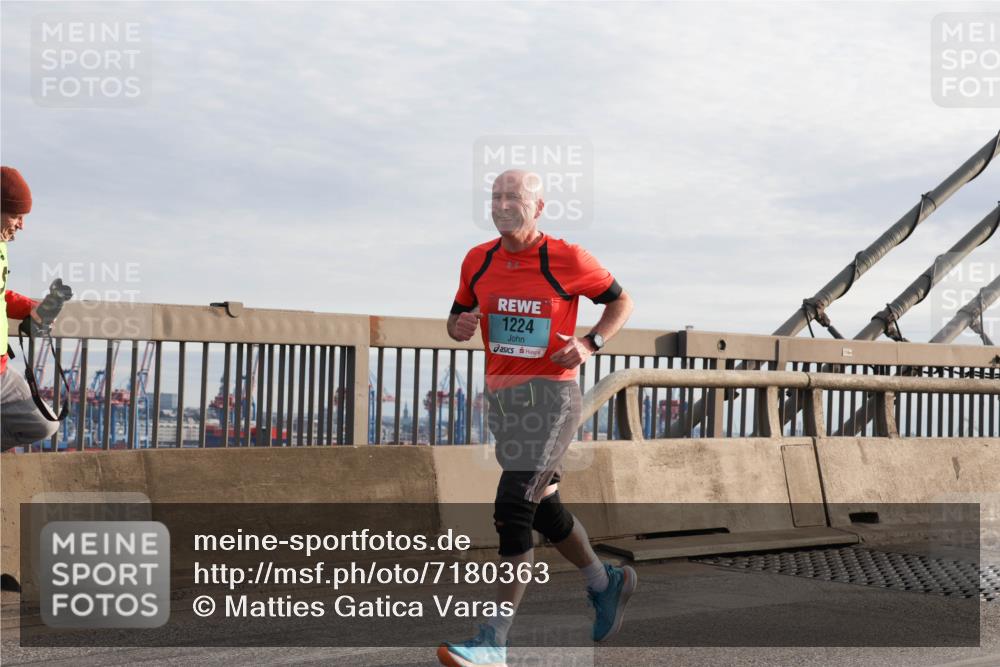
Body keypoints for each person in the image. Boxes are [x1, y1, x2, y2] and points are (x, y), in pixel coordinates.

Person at [438, 170, 636, 667]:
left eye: (515, 197)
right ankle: (602, 581)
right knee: (544, 504)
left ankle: (492, 641)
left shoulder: (566, 258)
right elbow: (457, 319)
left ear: (539, 207)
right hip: (505, 405)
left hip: (552, 400)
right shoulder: (477, 260)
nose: (504, 204)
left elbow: (621, 301)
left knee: (514, 508)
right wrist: (459, 326)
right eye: (497, 196)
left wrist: (590, 343)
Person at [0, 166, 59, 451]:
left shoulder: (1, 246)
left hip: (1, 369)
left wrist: (30, 308)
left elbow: (1, 294)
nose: (21, 225)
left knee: (44, 423)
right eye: (17, 216)